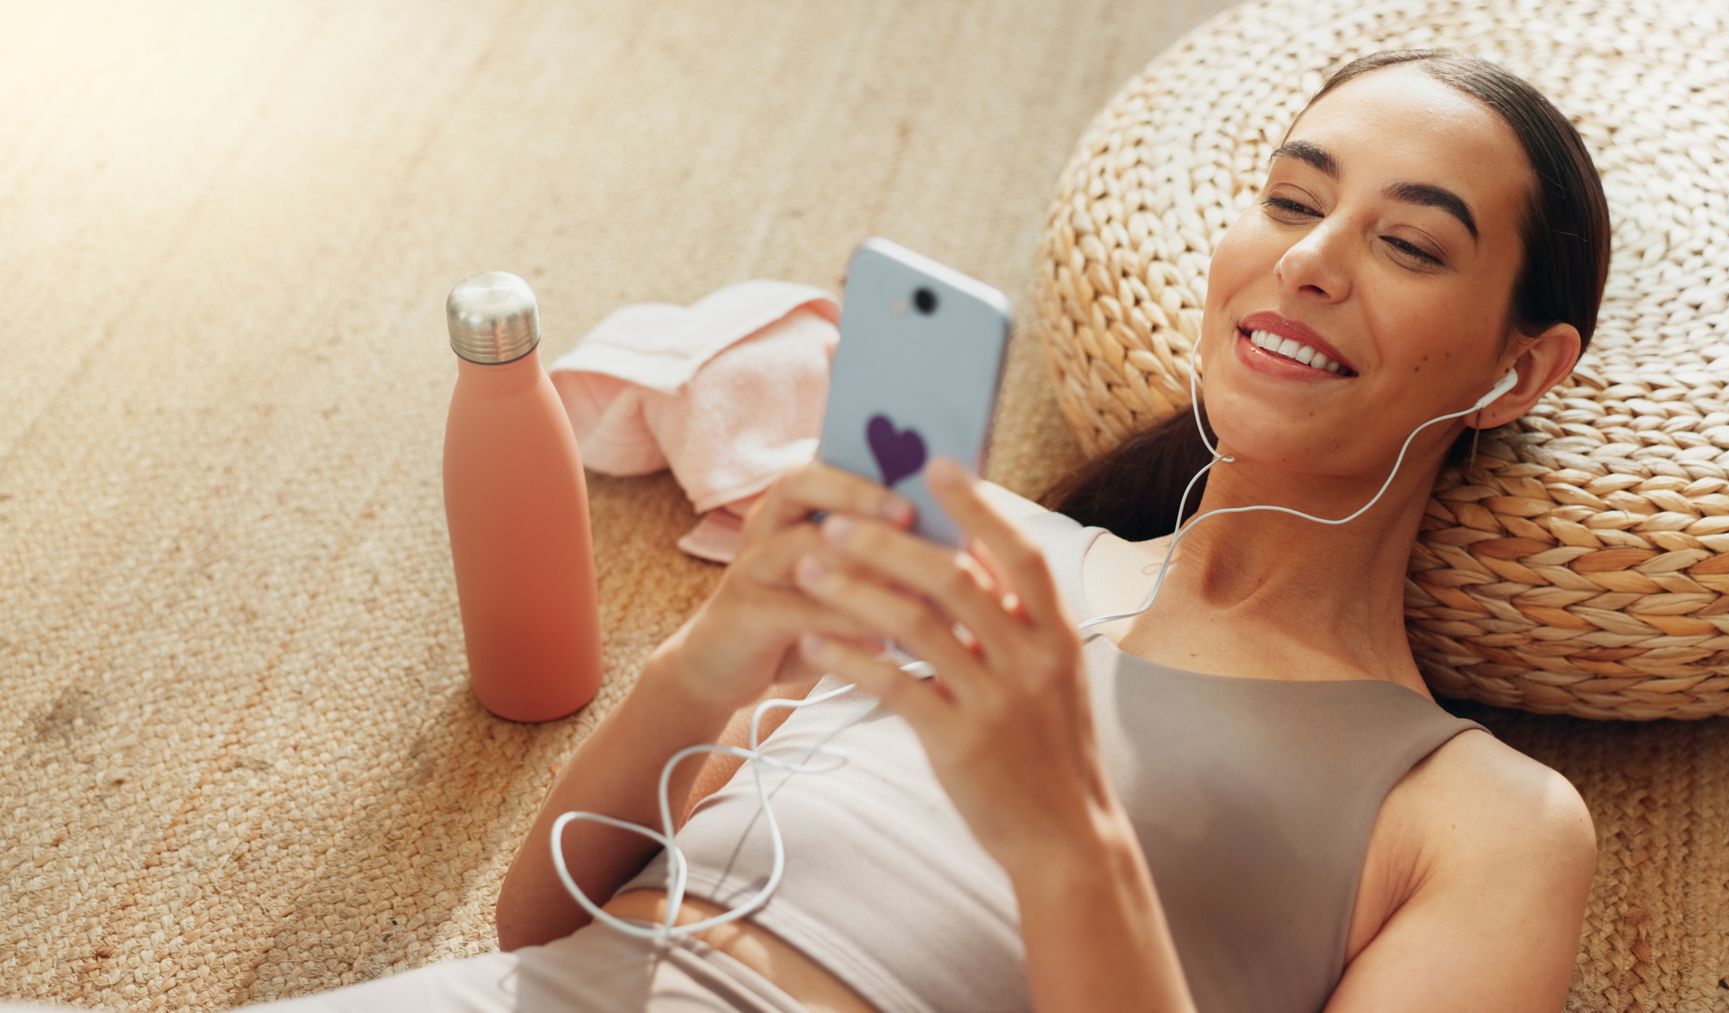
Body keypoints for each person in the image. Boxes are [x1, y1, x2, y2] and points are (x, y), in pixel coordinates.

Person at [4, 47, 1608, 1013]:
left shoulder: (1485, 819)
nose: (1310, 258)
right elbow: (541, 928)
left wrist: (1067, 832)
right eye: (1287, 198)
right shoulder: (977, 548)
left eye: (1407, 241)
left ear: (1519, 367)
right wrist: (711, 659)